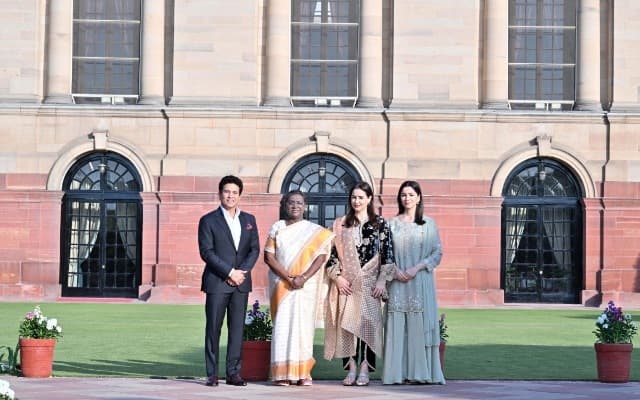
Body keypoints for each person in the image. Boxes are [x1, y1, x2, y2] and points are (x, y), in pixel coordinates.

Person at [324, 181, 395, 386]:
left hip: (371, 284)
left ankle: (365, 368)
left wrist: (382, 281)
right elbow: (330, 255)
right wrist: (337, 277)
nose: (357, 201)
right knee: (347, 326)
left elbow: (388, 255)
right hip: (347, 283)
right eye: (354, 197)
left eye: (361, 198)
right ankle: (351, 369)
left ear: (369, 199)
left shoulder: (380, 224)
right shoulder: (341, 224)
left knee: (368, 325)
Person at [264, 190, 335, 387]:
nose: (295, 206)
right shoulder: (277, 228)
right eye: (291, 202)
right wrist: (288, 278)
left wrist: (303, 277)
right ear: (285, 205)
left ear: (305, 207)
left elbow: (322, 256)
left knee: (304, 329)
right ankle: (282, 374)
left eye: (299, 203)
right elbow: (269, 256)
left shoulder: (314, 231)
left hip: (306, 288)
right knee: (283, 327)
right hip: (282, 286)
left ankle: (304, 373)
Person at [198, 175, 260, 387]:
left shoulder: (249, 220)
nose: (230, 195)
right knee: (213, 328)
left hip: (241, 283)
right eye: (226, 191)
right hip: (217, 282)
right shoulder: (208, 220)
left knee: (237, 330)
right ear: (220, 193)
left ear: (240, 195)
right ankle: (212, 373)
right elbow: (206, 252)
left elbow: (254, 250)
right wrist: (229, 272)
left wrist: (241, 272)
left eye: (234, 192)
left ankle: (233, 373)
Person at [382, 180, 445, 385]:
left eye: (411, 194)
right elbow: (383, 253)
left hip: (420, 281)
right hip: (397, 282)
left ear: (418, 197)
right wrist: (395, 270)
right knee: (398, 324)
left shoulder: (428, 224)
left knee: (419, 325)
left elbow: (437, 252)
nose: (407, 198)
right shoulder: (390, 224)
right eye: (403, 195)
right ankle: (396, 374)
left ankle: (420, 373)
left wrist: (415, 268)